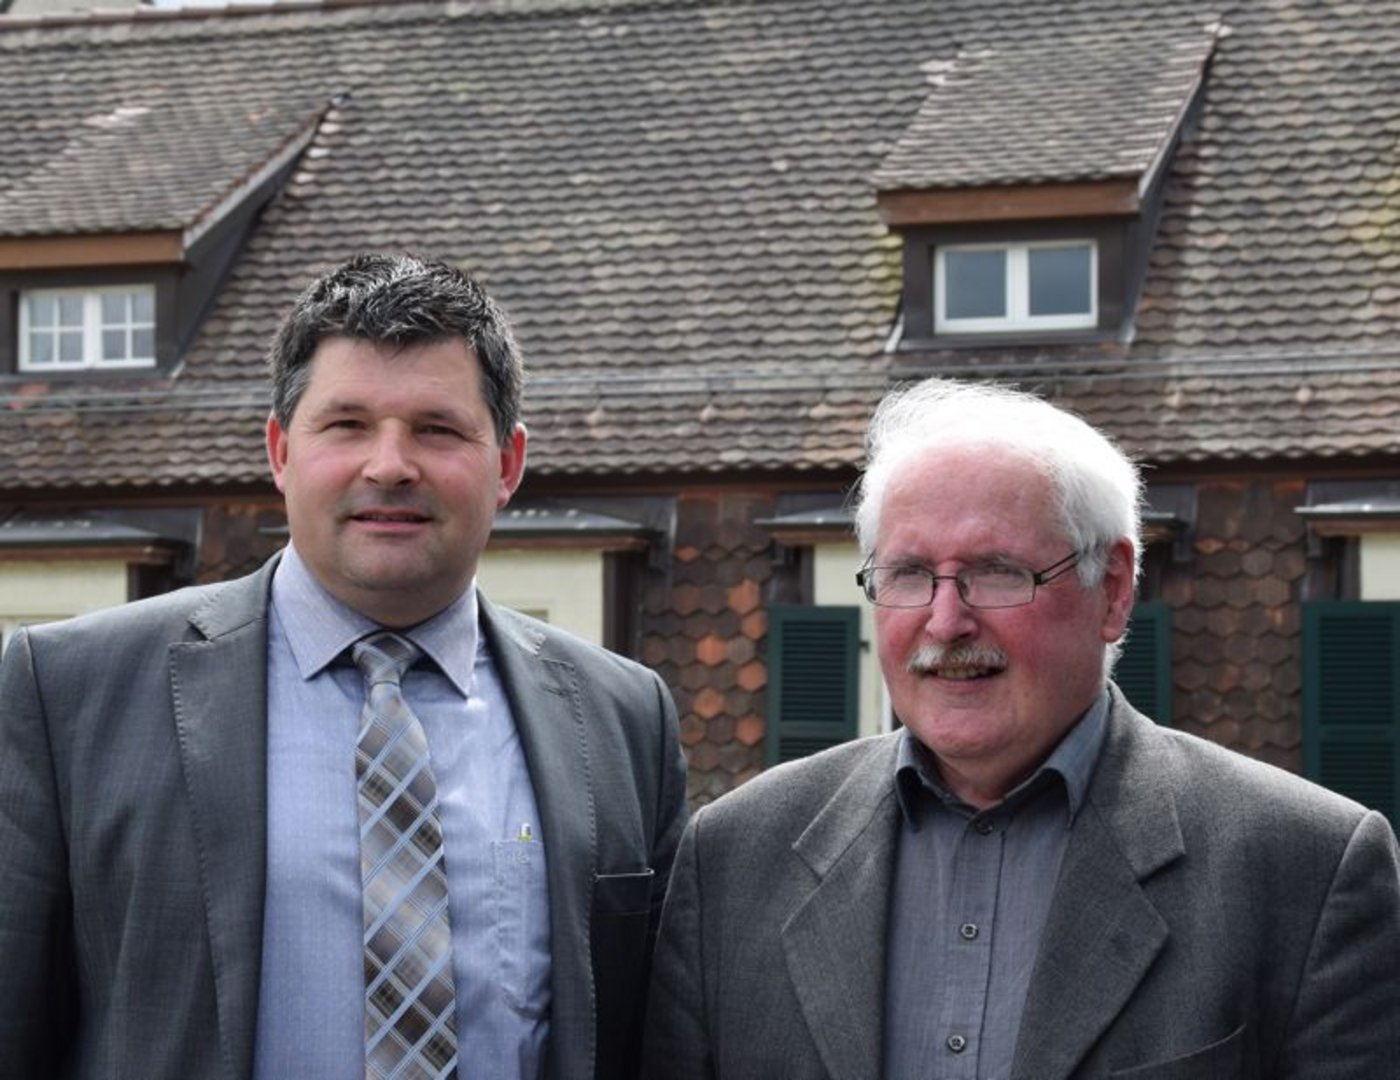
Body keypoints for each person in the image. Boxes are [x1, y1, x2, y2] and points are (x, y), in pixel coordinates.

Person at [0, 253, 687, 1080]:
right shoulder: (69, 693)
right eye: (347, 424)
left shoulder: (623, 717)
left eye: (437, 429)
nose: (390, 465)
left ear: (507, 464)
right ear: (280, 451)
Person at [642, 377, 1400, 1079]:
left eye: (997, 571)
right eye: (909, 574)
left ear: (1113, 590)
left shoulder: (1306, 870)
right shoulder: (734, 858)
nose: (945, 620)